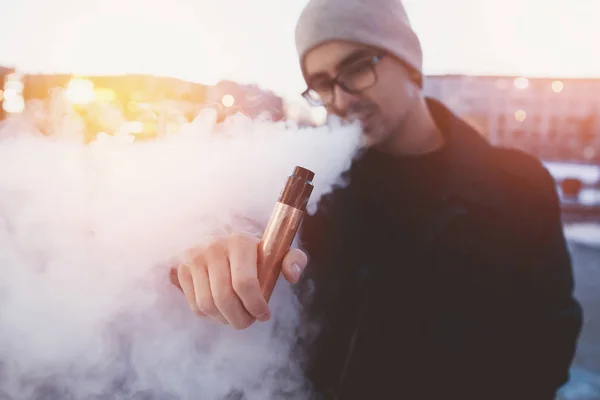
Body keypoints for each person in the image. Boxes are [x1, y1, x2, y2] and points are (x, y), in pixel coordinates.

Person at [174, 0, 583, 398]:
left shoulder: (517, 185)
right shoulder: (319, 187)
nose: (341, 98)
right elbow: (231, 227)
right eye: (321, 84)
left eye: (356, 68)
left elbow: (547, 333)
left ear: (409, 62)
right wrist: (218, 252)